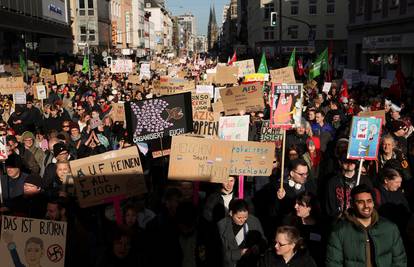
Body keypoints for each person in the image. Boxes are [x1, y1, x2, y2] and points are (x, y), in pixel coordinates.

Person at [326, 184, 407, 266]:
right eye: (360, 202)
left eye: (369, 201)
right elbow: (333, 263)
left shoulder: (390, 228)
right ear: (352, 204)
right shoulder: (339, 231)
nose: (366, 206)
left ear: (373, 203)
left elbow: (399, 260)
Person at [217, 199, 266, 267]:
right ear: (231, 213)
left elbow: (264, 241)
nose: (242, 220)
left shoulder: (254, 221)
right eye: (239, 217)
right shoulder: (222, 226)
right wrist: (239, 253)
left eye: (245, 217)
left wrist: (258, 247)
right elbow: (219, 253)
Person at [282, 192, 325, 266]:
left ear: (309, 208)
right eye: (296, 203)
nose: (295, 206)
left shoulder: (321, 226)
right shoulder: (289, 222)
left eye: (300, 204)